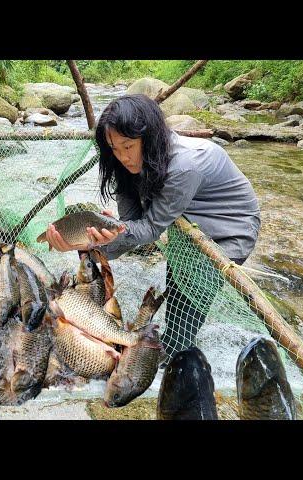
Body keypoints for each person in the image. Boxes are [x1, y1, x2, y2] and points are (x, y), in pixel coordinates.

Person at [45, 94, 261, 362]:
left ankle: (174, 358)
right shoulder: (125, 163)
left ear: (150, 137)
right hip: (187, 226)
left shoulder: (185, 167)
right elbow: (131, 224)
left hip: (229, 229)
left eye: (128, 146)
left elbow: (147, 229)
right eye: (114, 148)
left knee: (186, 308)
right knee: (177, 289)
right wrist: (89, 244)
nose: (122, 157)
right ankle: (167, 347)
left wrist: (109, 237)